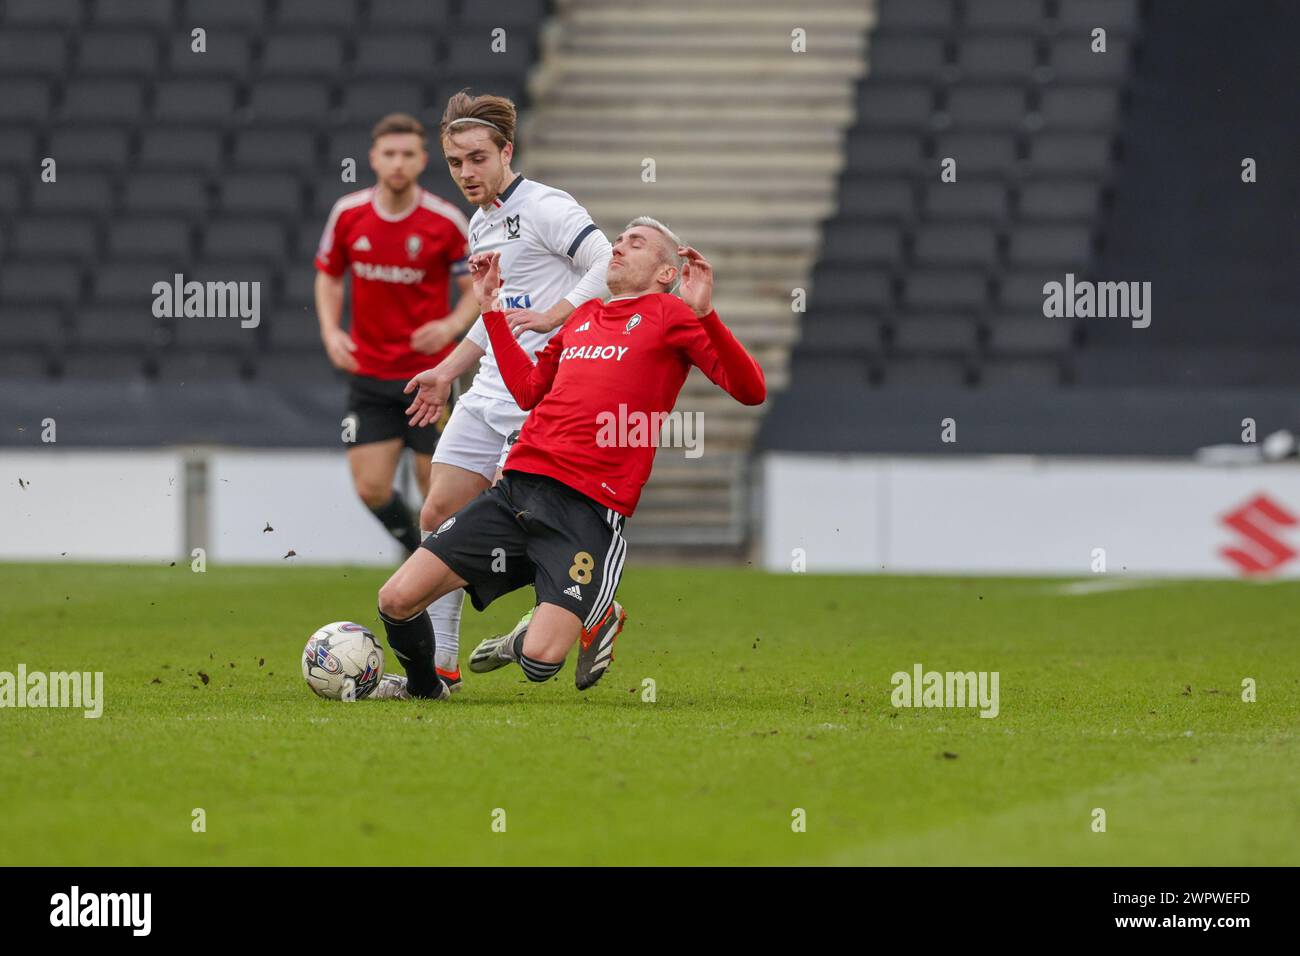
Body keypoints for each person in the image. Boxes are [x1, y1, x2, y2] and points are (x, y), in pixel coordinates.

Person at [371, 218, 765, 700]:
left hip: (586, 510)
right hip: (517, 488)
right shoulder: (582, 317)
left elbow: (750, 391)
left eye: (635, 243)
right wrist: (491, 308)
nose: (618, 247)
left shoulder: (671, 315)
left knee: (540, 663)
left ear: (666, 273)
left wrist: (705, 314)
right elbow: (526, 391)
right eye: (618, 239)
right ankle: (424, 688)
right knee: (394, 598)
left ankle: (579, 616)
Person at [407, 91, 615, 692]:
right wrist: (448, 369)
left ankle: (582, 605)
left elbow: (606, 262)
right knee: (438, 513)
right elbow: (493, 310)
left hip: (543, 393)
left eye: (476, 158)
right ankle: (443, 661)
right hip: (488, 389)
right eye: (454, 162)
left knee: (518, 525)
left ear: (507, 151)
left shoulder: (549, 207)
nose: (466, 173)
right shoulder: (481, 222)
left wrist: (559, 313)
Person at [314, 113, 479, 556]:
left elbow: (477, 290)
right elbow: (328, 276)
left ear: (423, 160)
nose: (398, 163)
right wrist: (331, 332)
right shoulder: (348, 215)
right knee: (370, 487)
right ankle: (420, 555)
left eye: (408, 154)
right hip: (369, 373)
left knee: (437, 492)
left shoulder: (444, 222)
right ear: (374, 158)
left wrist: (448, 325)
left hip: (431, 378)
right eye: (390, 154)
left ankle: (435, 573)